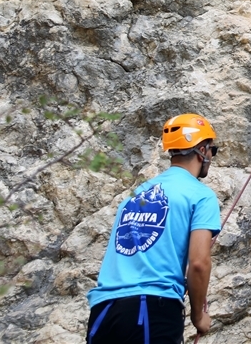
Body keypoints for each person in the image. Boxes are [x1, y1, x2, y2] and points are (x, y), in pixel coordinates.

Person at [86, 113, 222, 344]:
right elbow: (199, 263)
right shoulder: (200, 195)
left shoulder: (135, 196)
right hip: (151, 309)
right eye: (212, 149)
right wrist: (198, 316)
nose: (211, 155)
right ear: (201, 150)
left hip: (103, 312)